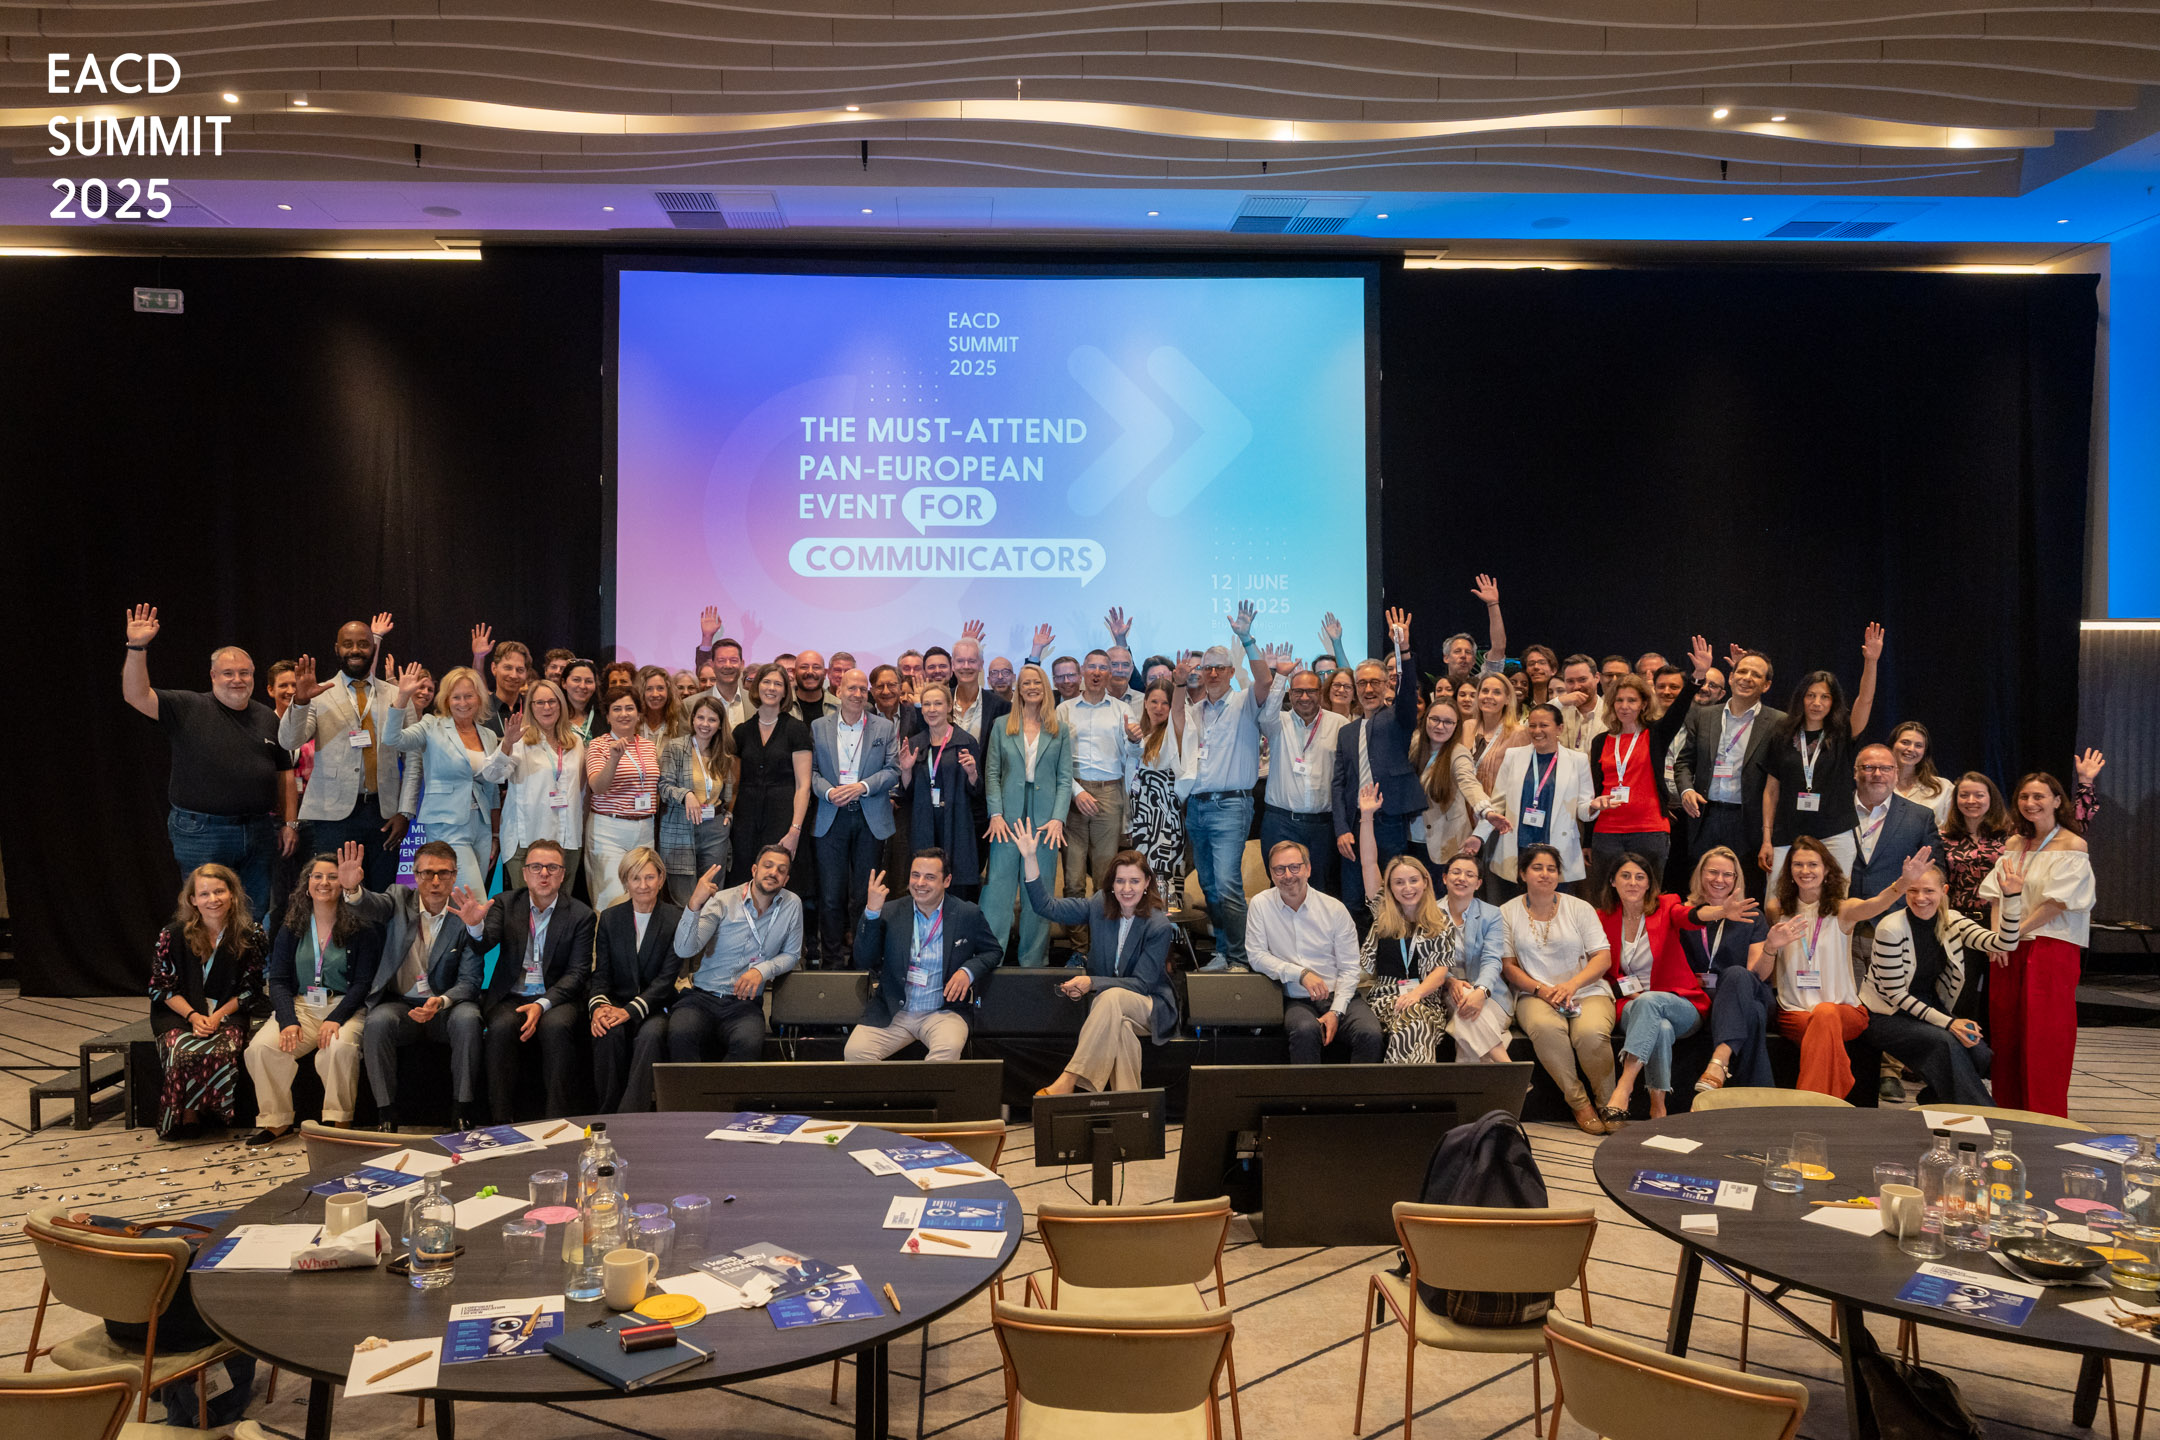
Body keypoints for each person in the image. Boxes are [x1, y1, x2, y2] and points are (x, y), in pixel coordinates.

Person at [122, 605, 298, 922]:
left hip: (259, 831)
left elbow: (285, 772)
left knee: (254, 916)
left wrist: (289, 823)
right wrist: (137, 647)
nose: (237, 679)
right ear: (213, 676)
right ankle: (204, 972)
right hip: (201, 832)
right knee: (205, 917)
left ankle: (248, 972)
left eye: (245, 673)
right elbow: (136, 695)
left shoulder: (267, 718)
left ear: (254, 677)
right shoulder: (187, 706)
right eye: (228, 673)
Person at [1013, 822, 1177, 1094]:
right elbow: (1045, 906)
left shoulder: (1158, 925)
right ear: (1111, 884)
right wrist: (1030, 858)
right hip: (1114, 1010)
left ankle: (1068, 1080)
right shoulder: (1099, 904)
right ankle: (1128, 1111)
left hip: (1151, 1007)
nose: (1127, 888)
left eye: (1134, 881)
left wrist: (1092, 982)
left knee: (1109, 997)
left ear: (1147, 883)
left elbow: (1141, 985)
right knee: (1121, 1031)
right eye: (1120, 880)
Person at [1763, 836, 1927, 1098]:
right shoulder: (1777, 909)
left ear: (1827, 869)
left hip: (1846, 1011)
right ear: (1789, 870)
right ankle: (1833, 1096)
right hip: (1796, 1014)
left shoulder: (1843, 910)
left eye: (1813, 865)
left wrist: (1905, 882)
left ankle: (1808, 1102)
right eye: (1798, 865)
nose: (1805, 871)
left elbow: (1877, 904)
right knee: (1823, 1018)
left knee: (1827, 1013)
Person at [243, 850, 383, 1144]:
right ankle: (277, 1122)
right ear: (307, 884)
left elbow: (362, 983)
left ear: (343, 883)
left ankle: (337, 1122)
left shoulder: (362, 928)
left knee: (339, 1049)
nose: (324, 883)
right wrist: (288, 1020)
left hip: (344, 1006)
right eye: (317, 876)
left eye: (333, 877)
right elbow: (278, 980)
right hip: (301, 1006)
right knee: (261, 1048)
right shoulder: (291, 926)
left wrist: (335, 1019)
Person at [1977, 772, 2096, 1117]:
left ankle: (2045, 1118)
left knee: (2045, 1036)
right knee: (2007, 1034)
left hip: (2050, 945)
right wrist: (1999, 936)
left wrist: (2013, 933)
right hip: (2009, 948)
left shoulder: (2073, 845)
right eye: (2025, 797)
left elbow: (2057, 903)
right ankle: (2007, 1114)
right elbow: (1997, 895)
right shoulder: (2015, 844)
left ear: (2058, 801)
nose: (2031, 803)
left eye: (2040, 797)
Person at [452, 839, 595, 1124]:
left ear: (563, 874)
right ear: (525, 873)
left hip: (556, 997)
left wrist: (542, 1004)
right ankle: (501, 1123)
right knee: (501, 1028)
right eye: (536, 867)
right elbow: (484, 944)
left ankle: (558, 1121)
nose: (544, 873)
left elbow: (577, 973)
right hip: (512, 996)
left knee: (556, 1028)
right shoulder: (506, 903)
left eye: (552, 867)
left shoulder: (581, 915)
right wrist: (474, 925)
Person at [349, 838, 484, 1133]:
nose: (435, 881)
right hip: (402, 1004)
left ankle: (462, 1111)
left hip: (446, 1007)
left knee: (469, 1018)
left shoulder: (466, 914)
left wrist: (443, 1001)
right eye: (427, 873)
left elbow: (471, 982)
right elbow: (370, 906)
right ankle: (386, 1114)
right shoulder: (398, 898)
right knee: (378, 1021)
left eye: (444, 873)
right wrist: (353, 891)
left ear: (454, 875)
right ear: (415, 875)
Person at [1864, 861, 2023, 1106]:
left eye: (1929, 891)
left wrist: (2012, 897)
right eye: (1913, 890)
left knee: (1980, 1053)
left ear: (1944, 891)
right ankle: (1985, 1114)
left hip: (1928, 1007)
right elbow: (1895, 995)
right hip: (1885, 1014)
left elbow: (2004, 944)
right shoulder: (1890, 928)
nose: (1920, 898)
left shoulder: (1952, 921)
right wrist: (1950, 1023)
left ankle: (1934, 1100)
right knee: (1946, 1043)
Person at [278, 620, 413, 891]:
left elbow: (414, 760)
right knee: (334, 896)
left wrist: (405, 812)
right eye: (348, 644)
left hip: (384, 815)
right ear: (337, 648)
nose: (356, 650)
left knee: (381, 895)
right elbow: (289, 740)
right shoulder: (319, 693)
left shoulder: (397, 695)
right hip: (331, 817)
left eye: (363, 644)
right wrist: (301, 701)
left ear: (373, 647)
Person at [1180, 602, 1276, 971]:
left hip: (1232, 806)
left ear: (1232, 671)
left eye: (1221, 667)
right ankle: (1223, 950)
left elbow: (1265, 681)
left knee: (1227, 885)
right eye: (1208, 668)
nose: (1215, 672)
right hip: (1198, 807)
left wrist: (1247, 639)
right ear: (1201, 674)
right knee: (1208, 886)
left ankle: (1239, 958)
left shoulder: (1244, 703)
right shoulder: (1195, 711)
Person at [1499, 844, 1617, 1134]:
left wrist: (1572, 985)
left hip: (1585, 990)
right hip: (1535, 993)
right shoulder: (1506, 912)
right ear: (1522, 873)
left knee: (1591, 1034)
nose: (1545, 874)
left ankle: (1609, 1103)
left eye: (1551, 869)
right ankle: (1579, 1103)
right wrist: (1541, 989)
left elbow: (1603, 957)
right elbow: (1508, 965)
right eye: (1537, 868)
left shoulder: (1579, 907)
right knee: (1547, 1030)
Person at [148, 864, 268, 1140]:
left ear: (232, 895)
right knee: (182, 1051)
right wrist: (193, 1016)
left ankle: (214, 1111)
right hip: (179, 1012)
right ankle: (186, 1115)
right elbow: (161, 987)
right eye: (204, 894)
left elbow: (251, 990)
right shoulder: (173, 934)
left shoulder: (251, 934)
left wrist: (216, 1017)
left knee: (223, 1050)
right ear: (192, 900)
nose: (212, 899)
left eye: (219, 892)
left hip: (226, 1012)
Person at [846, 850, 1001, 1061]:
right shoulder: (890, 911)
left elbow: (993, 951)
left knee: (947, 1051)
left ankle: (929, 1095)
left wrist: (968, 971)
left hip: (943, 1012)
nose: (920, 883)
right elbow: (864, 960)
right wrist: (872, 912)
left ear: (946, 881)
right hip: (894, 1011)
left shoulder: (967, 914)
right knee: (855, 1053)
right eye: (915, 875)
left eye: (930, 877)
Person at [1585, 637, 1711, 893]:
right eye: (1619, 701)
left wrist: (1698, 675)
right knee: (1608, 900)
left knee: (1649, 899)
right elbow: (1594, 790)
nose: (1624, 706)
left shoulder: (1656, 734)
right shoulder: (1601, 741)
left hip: (1650, 831)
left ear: (1643, 703)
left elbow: (1679, 708)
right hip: (1607, 832)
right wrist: (1588, 839)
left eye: (1631, 700)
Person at [667, 846, 802, 1077]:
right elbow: (684, 949)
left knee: (748, 1044)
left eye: (781, 870)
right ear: (754, 869)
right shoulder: (722, 901)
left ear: (786, 879)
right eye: (768, 866)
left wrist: (763, 970)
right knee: (680, 1033)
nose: (773, 873)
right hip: (702, 997)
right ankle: (689, 1107)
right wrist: (694, 905)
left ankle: (719, 1106)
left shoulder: (792, 904)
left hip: (745, 1004)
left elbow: (792, 954)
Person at [1759, 628, 1883, 879]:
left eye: (1825, 697)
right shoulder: (1782, 733)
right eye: (1811, 696)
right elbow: (1771, 790)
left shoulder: (1843, 733)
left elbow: (1866, 700)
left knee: (1834, 904)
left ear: (1833, 702)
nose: (1817, 703)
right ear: (1801, 699)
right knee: (1778, 902)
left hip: (1835, 832)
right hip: (1787, 833)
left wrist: (1871, 662)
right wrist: (1766, 838)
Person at [1594, 855, 1710, 1122]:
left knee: (1652, 1002)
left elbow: (1689, 916)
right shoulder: (1602, 918)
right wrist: (1627, 991)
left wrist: (1717, 912)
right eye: (1625, 876)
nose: (1633, 882)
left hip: (1680, 1003)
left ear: (1649, 884)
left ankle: (1624, 1086)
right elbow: (1603, 969)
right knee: (1659, 1026)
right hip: (1632, 1004)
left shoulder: (1666, 906)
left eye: (1640, 877)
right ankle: (1658, 1108)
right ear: (1612, 881)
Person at [1246, 840, 1382, 1064]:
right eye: (1279, 869)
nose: (1287, 875)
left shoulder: (1334, 909)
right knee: (1305, 1031)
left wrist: (1336, 1012)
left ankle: (1356, 1098)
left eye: (1294, 867)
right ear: (1271, 873)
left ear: (1308, 869)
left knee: (1370, 1033)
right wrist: (1300, 973)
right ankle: (1306, 1099)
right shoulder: (1260, 905)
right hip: (1296, 999)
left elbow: (1349, 969)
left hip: (1339, 994)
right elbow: (1257, 956)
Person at [1351, 788, 1459, 1064]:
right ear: (1390, 887)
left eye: (1413, 880)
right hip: (1385, 995)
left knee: (1415, 1020)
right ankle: (1415, 1093)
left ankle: (1400, 1090)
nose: (1407, 887)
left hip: (1426, 997)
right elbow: (1369, 862)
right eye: (1399, 882)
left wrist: (1416, 994)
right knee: (1412, 1022)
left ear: (1425, 882)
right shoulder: (1383, 912)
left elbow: (1440, 970)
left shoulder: (1440, 919)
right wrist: (1366, 817)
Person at [980, 663, 1077, 968]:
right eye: (1025, 683)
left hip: (1046, 820)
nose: (1031, 687)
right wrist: (995, 814)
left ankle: (1034, 962)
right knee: (997, 889)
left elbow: (1065, 778)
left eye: (1037, 682)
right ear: (1017, 689)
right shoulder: (1000, 726)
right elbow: (992, 773)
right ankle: (988, 958)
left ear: (1045, 687)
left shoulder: (1059, 729)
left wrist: (1059, 818)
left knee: (1039, 890)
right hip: (1007, 818)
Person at [1329, 608, 1422, 913]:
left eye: (1375, 683)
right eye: (1361, 684)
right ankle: (1359, 959)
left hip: (1390, 822)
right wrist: (1342, 828)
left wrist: (1403, 648)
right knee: (1354, 900)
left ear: (1386, 686)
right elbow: (1339, 783)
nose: (1368, 689)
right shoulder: (1347, 731)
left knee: (1393, 898)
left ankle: (1393, 957)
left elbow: (1408, 691)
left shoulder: (1398, 718)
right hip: (1355, 825)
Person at [1674, 651, 1786, 901]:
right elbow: (1683, 762)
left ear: (1766, 685)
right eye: (1742, 672)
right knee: (1701, 889)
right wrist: (1686, 790)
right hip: (1705, 815)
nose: (1747, 678)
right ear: (1731, 677)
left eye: (1756, 675)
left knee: (1746, 891)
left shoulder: (1779, 722)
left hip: (1748, 821)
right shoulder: (1704, 715)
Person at [381, 663, 501, 896]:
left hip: (482, 825)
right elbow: (392, 739)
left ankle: (454, 934)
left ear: (479, 699)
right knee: (473, 898)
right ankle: (478, 934)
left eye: (469, 696)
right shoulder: (431, 725)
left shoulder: (488, 735)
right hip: (446, 824)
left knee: (459, 901)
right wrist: (403, 697)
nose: (463, 703)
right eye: (456, 697)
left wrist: (495, 833)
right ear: (446, 699)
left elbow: (492, 787)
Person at [810, 669, 902, 969]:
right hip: (831, 816)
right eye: (852, 688)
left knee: (864, 895)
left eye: (863, 689)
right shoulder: (817, 726)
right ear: (838, 691)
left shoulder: (884, 727)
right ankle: (832, 963)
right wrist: (828, 792)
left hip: (870, 817)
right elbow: (809, 772)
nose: (858, 694)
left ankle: (862, 962)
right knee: (831, 895)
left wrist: (862, 786)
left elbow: (893, 770)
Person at [588, 847, 686, 1112]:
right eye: (635, 878)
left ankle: (631, 1115)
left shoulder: (675, 919)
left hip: (656, 1006)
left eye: (650, 877)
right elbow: (601, 975)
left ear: (661, 879)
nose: (643, 885)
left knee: (650, 1036)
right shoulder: (609, 919)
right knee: (605, 1031)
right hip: (616, 1002)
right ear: (625, 882)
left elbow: (666, 981)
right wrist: (599, 1008)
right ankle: (606, 1113)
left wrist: (629, 1011)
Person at [1676, 848, 1771, 1094]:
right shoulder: (1683, 913)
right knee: (1755, 1014)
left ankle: (1719, 1061)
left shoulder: (1752, 915)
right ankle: (1755, 1100)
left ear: (1737, 880)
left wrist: (1770, 948)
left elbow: (1757, 975)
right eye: (1713, 872)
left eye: (1728, 874)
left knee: (1738, 975)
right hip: (1696, 996)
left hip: (1739, 990)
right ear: (1700, 875)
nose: (1720, 880)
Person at [1477, 704, 1598, 897]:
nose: (1537, 731)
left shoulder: (1578, 760)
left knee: (1555, 914)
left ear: (1560, 728)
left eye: (1544, 725)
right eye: (1532, 726)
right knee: (1516, 910)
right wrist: (1478, 836)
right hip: (1518, 847)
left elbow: (1583, 810)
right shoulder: (1513, 756)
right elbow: (1497, 804)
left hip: (1558, 849)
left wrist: (1592, 807)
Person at [1057, 649, 1134, 943]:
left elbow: (1132, 756)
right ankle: (1079, 948)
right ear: (1082, 672)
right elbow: (1055, 759)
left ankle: (1103, 947)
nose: (1098, 672)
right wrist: (1076, 792)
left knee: (1106, 879)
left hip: (1110, 794)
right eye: (1092, 667)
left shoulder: (1121, 710)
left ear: (1109, 673)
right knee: (1073, 880)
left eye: (1104, 667)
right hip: (1073, 795)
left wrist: (1137, 742)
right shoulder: (1064, 710)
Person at [482, 678, 586, 892]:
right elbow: (492, 775)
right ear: (530, 707)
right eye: (539, 703)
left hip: (567, 840)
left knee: (561, 913)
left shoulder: (576, 742)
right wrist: (507, 744)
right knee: (526, 912)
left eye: (552, 701)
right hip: (527, 840)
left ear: (561, 704)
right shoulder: (519, 741)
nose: (547, 707)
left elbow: (582, 790)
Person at [1260, 667, 1349, 898]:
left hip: (1322, 826)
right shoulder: (1277, 722)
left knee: (1320, 891)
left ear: (1321, 693)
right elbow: (1267, 713)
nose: (1305, 697)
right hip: (1281, 822)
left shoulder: (1339, 724)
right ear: (1289, 694)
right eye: (1298, 691)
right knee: (1281, 888)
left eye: (1311, 691)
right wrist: (1280, 676)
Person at [895, 684, 985, 896]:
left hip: (955, 821)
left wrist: (972, 773)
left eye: (938, 703)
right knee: (924, 881)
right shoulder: (915, 743)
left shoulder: (965, 741)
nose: (932, 709)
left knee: (955, 883)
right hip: (924, 821)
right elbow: (906, 793)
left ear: (949, 707)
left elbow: (977, 791)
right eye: (926, 704)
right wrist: (906, 771)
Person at [729, 663, 814, 885]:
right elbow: (734, 784)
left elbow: (803, 786)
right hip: (745, 820)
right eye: (766, 682)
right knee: (743, 879)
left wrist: (794, 830)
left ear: (786, 691)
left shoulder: (796, 729)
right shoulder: (741, 732)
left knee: (778, 880)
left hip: (783, 818)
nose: (771, 688)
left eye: (778, 683)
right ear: (756, 687)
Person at [582, 687, 660, 911]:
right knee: (611, 899)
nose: (624, 714)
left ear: (638, 713)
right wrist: (614, 758)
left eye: (629, 708)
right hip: (609, 829)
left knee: (643, 897)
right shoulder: (598, 745)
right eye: (616, 709)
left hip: (644, 827)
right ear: (607, 716)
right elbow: (597, 786)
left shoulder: (647, 745)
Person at [659, 695, 736, 907]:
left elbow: (727, 795)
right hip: (680, 827)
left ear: (720, 724)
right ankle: (683, 941)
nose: (705, 724)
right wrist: (687, 795)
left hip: (714, 829)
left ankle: (708, 940)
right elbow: (663, 786)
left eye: (712, 720)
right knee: (683, 898)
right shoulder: (676, 748)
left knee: (713, 895)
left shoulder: (723, 753)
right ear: (692, 719)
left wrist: (727, 815)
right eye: (700, 718)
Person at [1125, 678, 1189, 910]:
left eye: (1165, 703)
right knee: (1143, 880)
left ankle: (1169, 941)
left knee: (1166, 882)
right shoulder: (1139, 735)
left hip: (1165, 821)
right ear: (1144, 703)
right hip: (1142, 821)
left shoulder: (1174, 734)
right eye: (1154, 701)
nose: (1159, 708)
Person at [1847, 744, 1939, 902]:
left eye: (1886, 768)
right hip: (1840, 913)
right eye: (1869, 767)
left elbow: (1934, 871)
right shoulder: (1833, 810)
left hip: (1896, 915)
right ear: (1856, 772)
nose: (1877, 774)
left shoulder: (1920, 817)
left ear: (1896, 774)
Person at [1939, 772, 2013, 922]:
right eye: (1964, 795)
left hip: (2002, 917)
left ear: (1991, 798)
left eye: (1979, 795)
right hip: (1957, 918)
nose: (1971, 801)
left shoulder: (2011, 836)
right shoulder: (1943, 838)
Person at [1438, 573, 1509, 686]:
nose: (1463, 656)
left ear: (1474, 661)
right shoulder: (1437, 693)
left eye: (1468, 652)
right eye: (1457, 651)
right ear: (1446, 658)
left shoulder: (1481, 685)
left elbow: (1498, 648)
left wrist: (1492, 604)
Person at [1465, 671, 1530, 788]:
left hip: (1497, 804)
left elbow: (1522, 780)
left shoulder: (1518, 733)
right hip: (1465, 802)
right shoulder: (1468, 727)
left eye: (1497, 692)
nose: (1489, 696)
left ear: (1507, 700)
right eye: (1485, 691)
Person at [468, 626, 531, 735]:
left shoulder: (532, 708)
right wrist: (478, 657)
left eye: (520, 670)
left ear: (526, 674)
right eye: (508, 668)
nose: (514, 675)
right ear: (494, 668)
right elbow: (478, 682)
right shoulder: (482, 707)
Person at [1889, 720, 1954, 826]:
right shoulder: (1879, 786)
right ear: (1892, 745)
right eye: (1905, 742)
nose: (1911, 749)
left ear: (1925, 752)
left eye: (1918, 745)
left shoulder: (1944, 788)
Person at [635, 664, 685, 746]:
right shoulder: (633, 725)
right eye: (649, 689)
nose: (655, 694)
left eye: (660, 688)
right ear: (641, 693)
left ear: (669, 692)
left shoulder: (678, 723)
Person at [561, 658, 602, 741]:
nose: (583, 686)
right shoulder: (553, 715)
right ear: (564, 683)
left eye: (589, 681)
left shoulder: (604, 717)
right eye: (576, 680)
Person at [790, 650, 834, 724]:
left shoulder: (838, 707)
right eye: (804, 667)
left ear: (825, 673)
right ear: (794, 672)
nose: (810, 672)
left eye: (816, 667)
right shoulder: (782, 705)